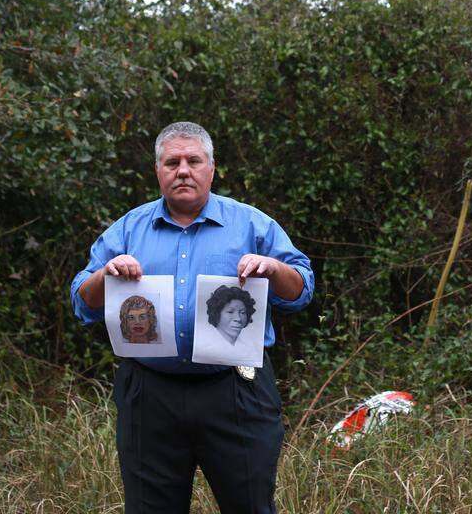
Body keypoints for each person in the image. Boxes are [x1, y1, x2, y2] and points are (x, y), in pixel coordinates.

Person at [70, 121, 314, 514]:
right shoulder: (129, 229)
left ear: (211, 168)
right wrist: (106, 273)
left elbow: (301, 290)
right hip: (149, 395)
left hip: (236, 393)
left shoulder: (252, 224)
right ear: (158, 171)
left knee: (250, 506)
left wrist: (272, 268)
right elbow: (82, 302)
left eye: (193, 160)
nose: (183, 170)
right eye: (172, 162)